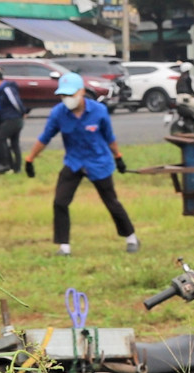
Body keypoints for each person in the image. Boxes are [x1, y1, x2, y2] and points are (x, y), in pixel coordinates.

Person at [23, 73, 139, 256]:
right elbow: (45, 138)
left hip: (98, 162)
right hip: (74, 163)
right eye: (64, 95)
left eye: (71, 94)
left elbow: (110, 138)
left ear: (82, 91)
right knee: (60, 202)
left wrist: (118, 157)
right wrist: (30, 159)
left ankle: (131, 237)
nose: (67, 99)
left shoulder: (99, 111)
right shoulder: (59, 113)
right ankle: (64, 246)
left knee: (111, 202)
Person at [0, 68, 25, 175]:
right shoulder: (2, 89)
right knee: (14, 143)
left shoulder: (6, 88)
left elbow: (15, 102)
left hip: (12, 118)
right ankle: (16, 168)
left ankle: (6, 164)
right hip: (12, 117)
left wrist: (22, 112)